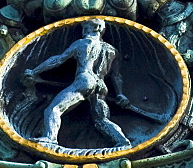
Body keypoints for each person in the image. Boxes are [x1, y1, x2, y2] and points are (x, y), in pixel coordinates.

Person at [23, 18, 130, 147]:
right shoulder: (112, 50)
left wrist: (35, 71)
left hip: (85, 79)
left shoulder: (83, 43)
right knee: (101, 120)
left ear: (95, 29)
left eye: (86, 28)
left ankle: (50, 139)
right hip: (101, 86)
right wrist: (120, 94)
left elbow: (58, 60)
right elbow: (116, 76)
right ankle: (122, 142)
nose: (84, 31)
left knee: (53, 109)